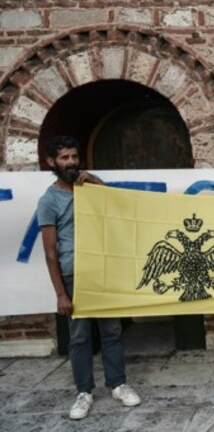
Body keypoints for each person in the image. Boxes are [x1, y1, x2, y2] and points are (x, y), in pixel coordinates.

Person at [37, 135, 141, 420]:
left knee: (112, 331)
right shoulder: (48, 201)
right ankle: (84, 391)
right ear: (51, 162)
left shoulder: (90, 187)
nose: (71, 162)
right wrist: (60, 293)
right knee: (80, 337)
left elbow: (118, 207)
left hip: (102, 271)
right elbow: (49, 252)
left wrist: (96, 182)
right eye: (64, 158)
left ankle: (118, 384)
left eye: (73, 156)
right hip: (74, 276)